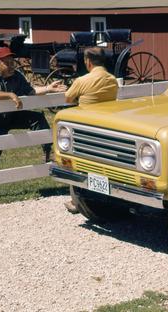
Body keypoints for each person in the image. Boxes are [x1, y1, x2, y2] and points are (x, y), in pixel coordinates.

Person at [0, 46, 67, 201]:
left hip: (10, 116)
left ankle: (47, 152)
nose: (12, 65)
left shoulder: (16, 75)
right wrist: (10, 95)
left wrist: (48, 88)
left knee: (37, 117)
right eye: (8, 63)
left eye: (13, 62)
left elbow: (30, 91)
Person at [63, 46, 119, 212]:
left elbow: (68, 98)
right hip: (106, 125)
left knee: (77, 163)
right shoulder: (112, 80)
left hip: (85, 127)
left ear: (88, 62)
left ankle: (76, 201)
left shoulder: (82, 81)